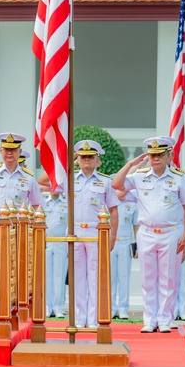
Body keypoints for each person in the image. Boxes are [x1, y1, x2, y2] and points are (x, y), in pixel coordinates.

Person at [112, 136, 185, 333]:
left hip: (170, 233)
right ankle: (150, 319)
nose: (155, 158)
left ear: (169, 156)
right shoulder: (140, 176)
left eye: (159, 155)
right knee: (148, 278)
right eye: (152, 155)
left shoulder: (179, 177)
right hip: (147, 233)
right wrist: (132, 163)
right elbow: (117, 185)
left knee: (169, 278)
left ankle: (165, 319)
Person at [62, 140, 118, 329]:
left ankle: (94, 320)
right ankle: (78, 318)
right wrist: (71, 163)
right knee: (77, 278)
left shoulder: (105, 181)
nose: (86, 160)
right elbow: (45, 180)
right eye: (83, 157)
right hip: (75, 231)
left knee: (95, 278)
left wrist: (112, 236)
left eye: (90, 157)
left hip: (96, 232)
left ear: (97, 160)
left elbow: (114, 210)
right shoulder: (69, 178)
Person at [41, 189, 69, 319]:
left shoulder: (67, 203)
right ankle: (46, 306)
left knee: (60, 275)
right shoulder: (43, 201)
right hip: (45, 240)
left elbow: (70, 224)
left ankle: (58, 307)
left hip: (61, 241)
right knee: (46, 275)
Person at [112, 189, 139, 320]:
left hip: (125, 242)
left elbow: (136, 226)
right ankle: (111, 308)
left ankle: (123, 309)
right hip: (110, 243)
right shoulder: (108, 204)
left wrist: (138, 245)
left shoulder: (132, 205)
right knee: (110, 277)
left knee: (124, 277)